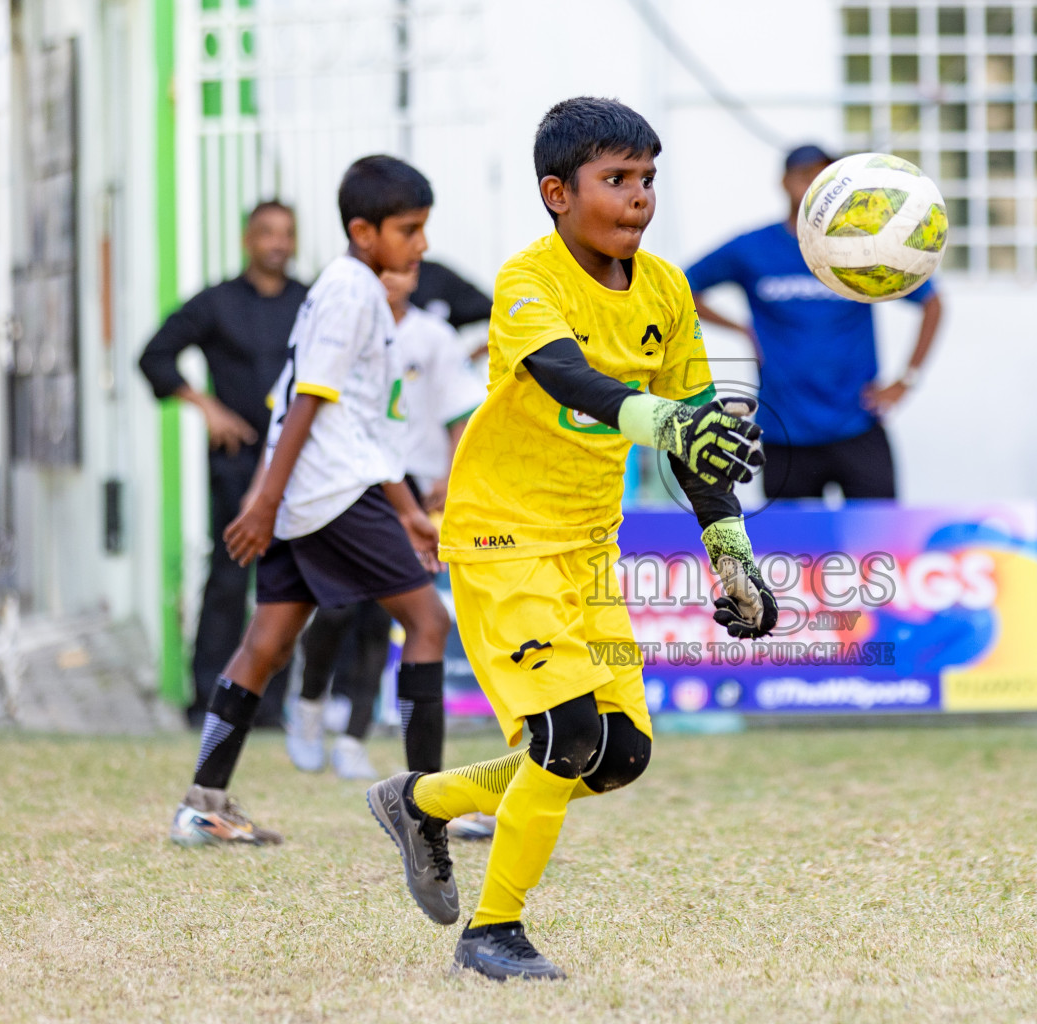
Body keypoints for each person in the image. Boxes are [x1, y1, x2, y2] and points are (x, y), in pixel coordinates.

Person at [364, 97, 775, 981]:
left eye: (647, 180)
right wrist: (665, 420)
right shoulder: (529, 280)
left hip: (588, 545)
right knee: (565, 732)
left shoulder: (666, 289)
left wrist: (731, 552)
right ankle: (491, 935)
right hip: (503, 536)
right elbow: (566, 375)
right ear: (557, 192)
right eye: (616, 180)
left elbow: (699, 437)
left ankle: (418, 800)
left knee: (619, 754)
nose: (637, 199)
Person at [167, 155, 453, 846]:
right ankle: (425, 814)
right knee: (427, 624)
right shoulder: (352, 292)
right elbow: (307, 400)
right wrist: (264, 501)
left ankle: (202, 804)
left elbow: (350, 415)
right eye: (409, 230)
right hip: (331, 492)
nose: (421, 245)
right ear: (363, 230)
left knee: (263, 643)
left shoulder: (349, 290)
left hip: (317, 489)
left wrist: (407, 507)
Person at [287, 264, 485, 794]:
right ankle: (309, 702)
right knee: (337, 607)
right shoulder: (350, 327)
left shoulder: (432, 337)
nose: (395, 278)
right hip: (351, 482)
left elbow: (460, 410)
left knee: (389, 614)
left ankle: (354, 737)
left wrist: (449, 473)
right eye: (384, 269)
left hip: (412, 485)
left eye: (406, 269)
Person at [686, 143, 943, 500]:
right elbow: (683, 288)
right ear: (784, 182)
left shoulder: (861, 246)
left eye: (821, 178)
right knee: (792, 553)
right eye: (804, 175)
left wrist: (907, 379)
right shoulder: (752, 248)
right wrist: (741, 328)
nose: (810, 186)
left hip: (858, 422)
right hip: (785, 431)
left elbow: (931, 301)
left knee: (878, 546)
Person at [138, 200, 305, 729]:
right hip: (236, 462)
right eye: (266, 233)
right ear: (247, 240)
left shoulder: (311, 301)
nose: (276, 243)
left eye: (286, 234)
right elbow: (154, 355)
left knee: (287, 582)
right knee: (230, 578)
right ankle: (208, 700)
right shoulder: (216, 303)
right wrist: (207, 407)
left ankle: (271, 707)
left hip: (297, 463)